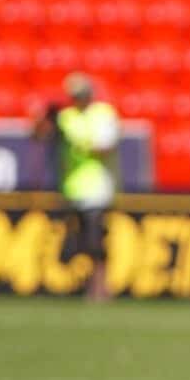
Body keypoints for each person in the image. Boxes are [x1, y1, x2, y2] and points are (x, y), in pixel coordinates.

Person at [36, 73, 119, 303]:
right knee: (79, 242)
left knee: (95, 241)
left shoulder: (102, 114)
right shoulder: (66, 117)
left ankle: (101, 286)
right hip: (71, 189)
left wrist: (78, 142)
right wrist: (42, 116)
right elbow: (38, 135)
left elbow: (105, 148)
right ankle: (87, 284)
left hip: (96, 189)